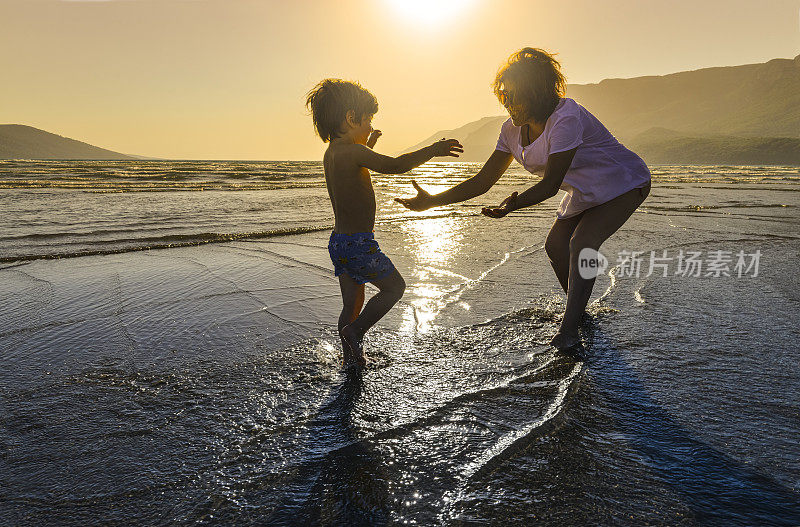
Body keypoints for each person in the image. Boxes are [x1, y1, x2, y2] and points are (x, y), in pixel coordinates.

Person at [396, 48, 651, 354]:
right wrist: (432, 201)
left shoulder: (566, 118)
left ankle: (569, 330)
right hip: (585, 191)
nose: (507, 104)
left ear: (537, 92)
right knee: (555, 246)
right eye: (503, 96)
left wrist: (511, 206)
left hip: (623, 181)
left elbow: (550, 186)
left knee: (581, 243)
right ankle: (579, 309)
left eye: (513, 96)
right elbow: (482, 181)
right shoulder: (510, 131)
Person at [306, 79, 463, 367]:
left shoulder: (332, 153)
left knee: (351, 305)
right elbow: (395, 166)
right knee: (394, 288)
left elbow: (359, 163)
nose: (369, 126)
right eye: (367, 120)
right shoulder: (354, 152)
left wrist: (369, 143)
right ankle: (356, 332)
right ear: (351, 118)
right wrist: (432, 150)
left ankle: (351, 358)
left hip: (339, 243)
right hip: (359, 244)